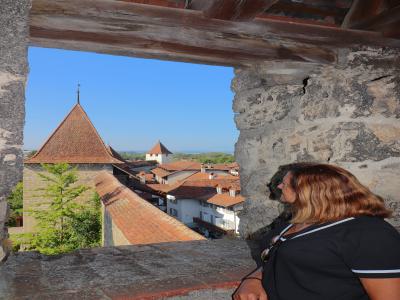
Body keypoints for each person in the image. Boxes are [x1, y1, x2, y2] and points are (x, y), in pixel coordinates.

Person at [232, 163, 400, 300]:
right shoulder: (293, 222)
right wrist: (254, 279)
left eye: (286, 183)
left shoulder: (368, 234)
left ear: (311, 191)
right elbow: (275, 257)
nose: (279, 186)